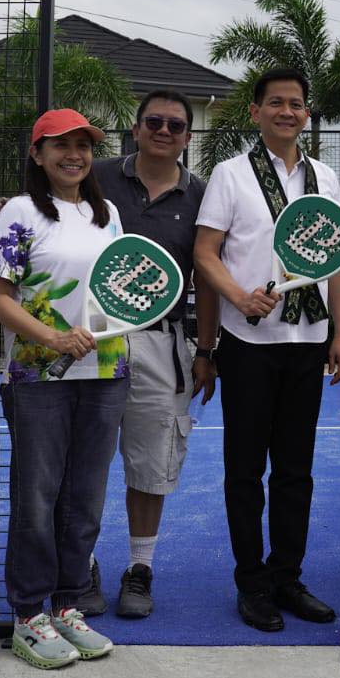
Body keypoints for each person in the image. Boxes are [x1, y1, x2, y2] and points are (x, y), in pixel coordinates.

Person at [193, 67, 340, 632]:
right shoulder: (230, 174)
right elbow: (205, 253)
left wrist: (339, 332)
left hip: (307, 342)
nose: (288, 111)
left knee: (295, 470)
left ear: (307, 114)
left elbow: (337, 256)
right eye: (276, 103)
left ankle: (287, 576)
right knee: (244, 469)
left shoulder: (325, 177)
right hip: (248, 343)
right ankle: (251, 582)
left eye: (297, 104)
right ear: (255, 112)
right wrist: (239, 298)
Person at [0, 109, 128, 668]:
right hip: (37, 378)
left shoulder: (106, 214)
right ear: (38, 155)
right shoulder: (21, 212)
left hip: (107, 374)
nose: (74, 155)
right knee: (37, 500)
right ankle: (28, 614)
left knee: (85, 500)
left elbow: (117, 287)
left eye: (83, 145)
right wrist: (53, 338)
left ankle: (68, 605)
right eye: (61, 145)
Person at [93, 90, 218, 619]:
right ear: (136, 128)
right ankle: (79, 565)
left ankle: (139, 568)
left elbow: (207, 277)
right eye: (154, 122)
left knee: (151, 463)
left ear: (187, 136)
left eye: (175, 126)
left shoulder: (203, 194)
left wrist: (205, 348)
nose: (164, 131)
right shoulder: (95, 176)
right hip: (92, 337)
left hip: (162, 342)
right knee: (83, 461)